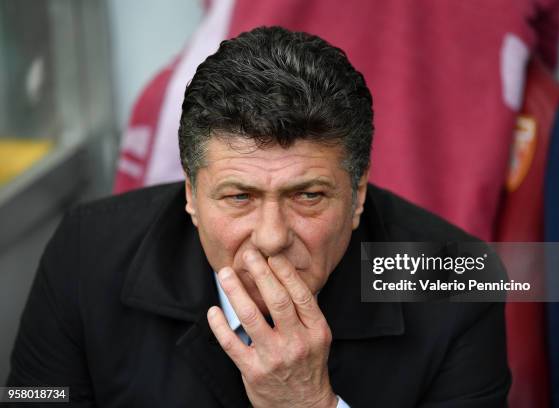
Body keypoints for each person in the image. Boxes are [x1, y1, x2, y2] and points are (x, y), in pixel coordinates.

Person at [6, 26, 510, 407]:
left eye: (308, 196)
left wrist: (311, 403)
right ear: (190, 194)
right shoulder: (87, 249)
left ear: (357, 196)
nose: (271, 238)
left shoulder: (460, 279)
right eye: (239, 197)